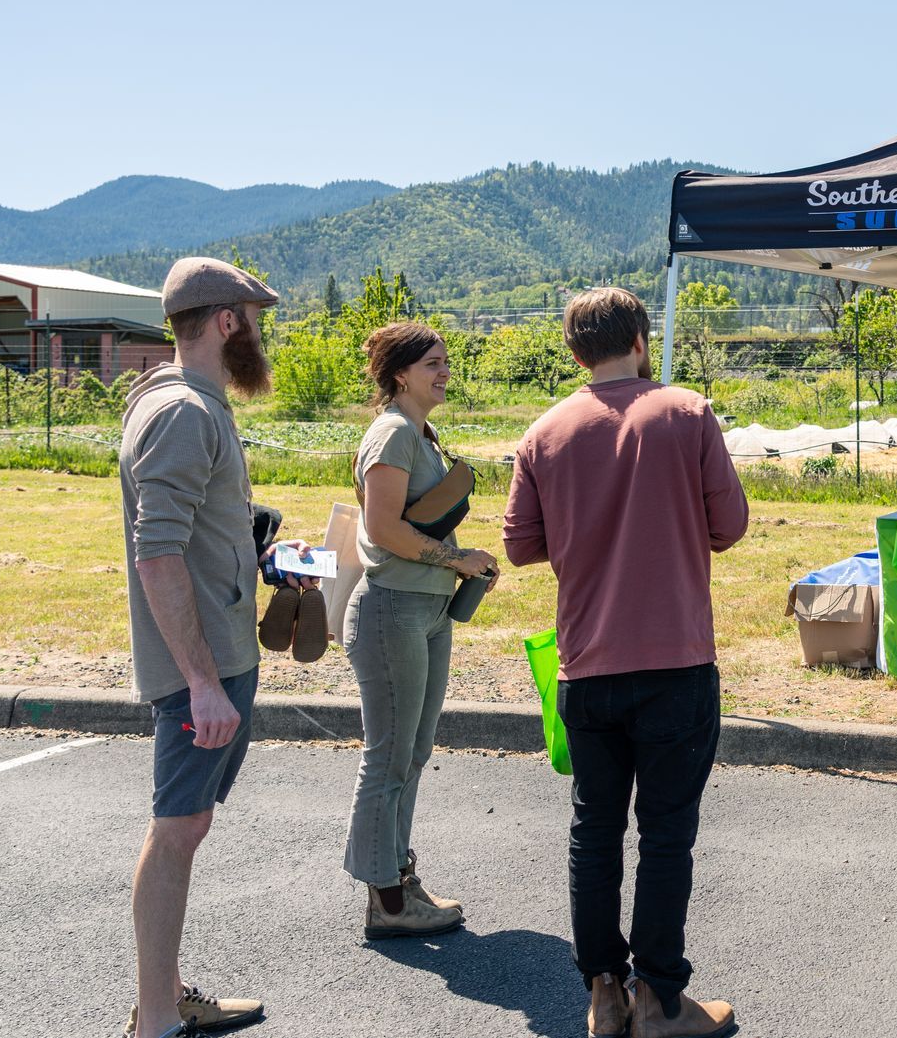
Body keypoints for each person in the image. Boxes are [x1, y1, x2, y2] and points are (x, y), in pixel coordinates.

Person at [502, 287, 748, 1038]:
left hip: (586, 662)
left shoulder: (543, 433)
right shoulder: (688, 412)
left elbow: (519, 544)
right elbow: (729, 525)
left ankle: (603, 991)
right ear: (642, 339)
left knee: (594, 829)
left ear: (577, 354)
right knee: (667, 832)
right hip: (675, 659)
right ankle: (661, 999)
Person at [119, 257, 318, 1038]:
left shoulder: (186, 401)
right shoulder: (183, 412)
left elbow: (194, 533)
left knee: (185, 824)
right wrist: (201, 681)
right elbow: (158, 552)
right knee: (177, 828)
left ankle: (164, 998)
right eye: (254, 317)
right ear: (228, 321)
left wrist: (261, 549)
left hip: (220, 653)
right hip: (197, 669)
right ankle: (159, 1019)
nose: (260, 333)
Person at [344, 322, 500, 938]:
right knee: (388, 757)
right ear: (400, 373)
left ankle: (397, 878)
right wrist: (456, 559)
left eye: (445, 362)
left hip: (426, 613)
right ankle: (386, 899)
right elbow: (383, 529)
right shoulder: (391, 433)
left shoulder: (419, 433)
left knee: (412, 753)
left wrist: (463, 563)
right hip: (394, 612)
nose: (443, 372)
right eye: (431, 363)